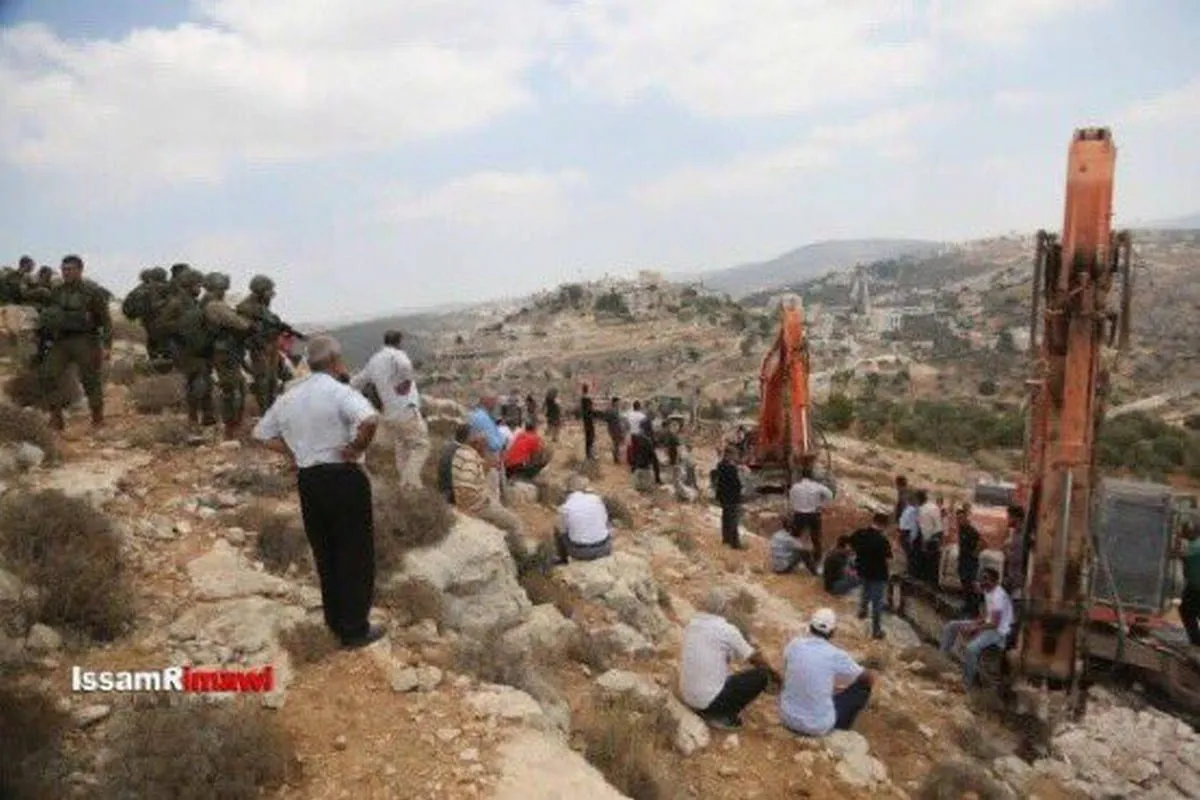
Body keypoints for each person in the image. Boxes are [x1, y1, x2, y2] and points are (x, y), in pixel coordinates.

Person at [252, 335, 384, 648]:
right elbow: (369, 419)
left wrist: (294, 453)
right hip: (343, 477)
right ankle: (354, 629)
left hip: (310, 480)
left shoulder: (290, 396)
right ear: (336, 361)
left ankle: (334, 620)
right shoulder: (339, 392)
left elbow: (260, 434)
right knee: (354, 552)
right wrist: (356, 447)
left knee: (325, 552)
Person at [679, 589, 777, 731]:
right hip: (708, 702)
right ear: (724, 608)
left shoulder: (692, 624)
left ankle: (711, 709)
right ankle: (721, 716)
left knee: (729, 675)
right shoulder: (726, 630)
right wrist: (775, 675)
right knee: (761, 675)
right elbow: (754, 659)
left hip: (688, 697)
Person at [37, 255, 113, 430]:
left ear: (80, 270)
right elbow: (51, 316)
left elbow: (106, 321)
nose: (66, 273)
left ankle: (97, 417)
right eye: (64, 269)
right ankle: (56, 417)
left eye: (70, 269)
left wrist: (107, 346)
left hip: (86, 339)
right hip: (61, 340)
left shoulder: (93, 292)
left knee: (90, 379)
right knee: (47, 375)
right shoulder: (56, 292)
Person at [350, 330, 431, 488]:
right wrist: (406, 381)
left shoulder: (374, 360)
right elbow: (405, 365)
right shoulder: (397, 355)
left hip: (390, 414)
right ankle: (410, 482)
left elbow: (356, 382)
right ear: (399, 342)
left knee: (403, 450)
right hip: (405, 410)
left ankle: (405, 487)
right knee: (421, 445)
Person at [779, 608, 875, 736]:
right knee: (863, 687)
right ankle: (840, 731)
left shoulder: (794, 644)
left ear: (810, 625)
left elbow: (788, 670)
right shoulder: (836, 655)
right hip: (816, 725)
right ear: (832, 632)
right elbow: (869, 678)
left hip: (787, 717)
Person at [158, 268, 215, 428]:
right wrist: (183, 327)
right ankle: (193, 417)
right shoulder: (176, 303)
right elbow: (162, 327)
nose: (200, 289)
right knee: (198, 381)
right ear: (189, 285)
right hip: (183, 349)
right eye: (197, 285)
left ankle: (205, 416)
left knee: (203, 381)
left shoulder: (194, 303)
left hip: (196, 348)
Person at [939, 567, 1013, 689]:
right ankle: (940, 659)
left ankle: (966, 683)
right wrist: (974, 623)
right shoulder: (988, 592)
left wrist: (975, 628)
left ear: (995, 581)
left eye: (986, 579)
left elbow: (994, 623)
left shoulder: (998, 596)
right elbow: (986, 615)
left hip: (997, 631)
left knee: (971, 649)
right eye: (981, 578)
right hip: (989, 625)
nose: (983, 582)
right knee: (951, 626)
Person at [201, 272, 254, 440]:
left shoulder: (207, 303)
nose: (225, 291)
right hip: (224, 352)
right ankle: (230, 429)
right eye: (223, 288)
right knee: (233, 390)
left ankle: (231, 427)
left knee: (234, 388)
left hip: (222, 351)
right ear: (219, 288)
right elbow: (241, 325)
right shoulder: (215, 306)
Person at [451, 428, 524, 538]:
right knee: (515, 523)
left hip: (470, 503)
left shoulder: (460, 452)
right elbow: (465, 487)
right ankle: (520, 553)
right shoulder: (470, 459)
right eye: (484, 446)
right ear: (477, 445)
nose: (485, 450)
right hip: (476, 507)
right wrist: (479, 503)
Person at [236, 274, 289, 412]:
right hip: (259, 347)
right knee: (263, 380)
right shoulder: (247, 307)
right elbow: (248, 330)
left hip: (270, 346)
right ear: (261, 290)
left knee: (272, 379)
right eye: (269, 290)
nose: (272, 294)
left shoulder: (262, 306)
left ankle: (272, 410)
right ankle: (265, 411)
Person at [849, 512, 893, 640]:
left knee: (865, 591)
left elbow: (851, 543)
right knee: (877, 603)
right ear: (884, 525)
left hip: (863, 570)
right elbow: (888, 558)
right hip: (878, 574)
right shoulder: (883, 540)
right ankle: (876, 630)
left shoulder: (860, 533)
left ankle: (862, 612)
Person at [553, 474, 611, 564]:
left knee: (558, 530)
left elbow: (562, 531)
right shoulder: (596, 499)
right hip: (604, 548)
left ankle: (563, 559)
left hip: (581, 552)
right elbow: (605, 521)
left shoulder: (564, 508)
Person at [789, 467, 834, 572]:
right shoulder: (817, 486)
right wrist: (822, 505)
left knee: (794, 537)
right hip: (813, 514)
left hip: (799, 514)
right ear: (812, 476)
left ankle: (791, 557)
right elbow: (830, 495)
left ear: (801, 476)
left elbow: (791, 498)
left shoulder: (795, 487)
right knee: (816, 539)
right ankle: (817, 560)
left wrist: (796, 506)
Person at [710, 446, 744, 549]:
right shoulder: (731, 468)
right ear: (729, 455)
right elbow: (736, 484)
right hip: (732, 497)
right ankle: (735, 543)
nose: (735, 457)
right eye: (734, 454)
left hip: (723, 496)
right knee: (733, 520)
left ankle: (726, 539)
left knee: (725, 518)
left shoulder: (720, 465)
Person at [956, 504, 982, 618]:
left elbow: (982, 542)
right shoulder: (961, 529)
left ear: (966, 518)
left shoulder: (971, 530)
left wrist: (974, 553)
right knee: (964, 583)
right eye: (958, 519)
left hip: (970, 562)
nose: (960, 521)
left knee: (971, 584)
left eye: (961, 518)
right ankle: (967, 605)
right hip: (963, 560)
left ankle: (974, 609)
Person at [1176, 522, 1200, 646]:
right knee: (1188, 610)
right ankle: (1196, 641)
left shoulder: (1193, 546)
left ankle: (1196, 642)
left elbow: (1181, 553)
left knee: (1187, 611)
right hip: (1194, 586)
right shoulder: (1194, 544)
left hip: (1196, 587)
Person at [437, 423, 471, 504]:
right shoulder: (459, 452)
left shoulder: (450, 447)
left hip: (445, 490)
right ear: (467, 437)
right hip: (451, 493)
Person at [915, 490, 942, 583]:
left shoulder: (930, 508)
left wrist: (927, 542)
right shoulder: (924, 508)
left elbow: (937, 527)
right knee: (926, 569)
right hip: (927, 540)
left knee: (931, 569)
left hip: (931, 541)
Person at [1004, 505, 1027, 597]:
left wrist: (1006, 551)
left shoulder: (1022, 535)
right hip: (1013, 580)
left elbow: (1016, 558)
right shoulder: (1015, 533)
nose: (1008, 519)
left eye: (1009, 517)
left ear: (1016, 518)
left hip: (1018, 583)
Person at [898, 492, 920, 577]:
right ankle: (910, 571)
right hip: (905, 533)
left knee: (910, 554)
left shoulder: (911, 510)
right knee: (909, 554)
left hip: (907, 533)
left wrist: (911, 537)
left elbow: (913, 524)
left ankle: (911, 572)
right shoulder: (909, 510)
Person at [605, 396, 625, 464]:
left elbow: (606, 419)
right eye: (618, 402)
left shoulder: (610, 409)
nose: (619, 403)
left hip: (611, 428)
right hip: (615, 428)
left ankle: (616, 457)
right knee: (616, 443)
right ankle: (616, 458)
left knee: (615, 443)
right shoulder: (614, 410)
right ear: (615, 402)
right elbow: (618, 421)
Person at [579, 383, 596, 460]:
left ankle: (588, 454)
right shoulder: (587, 399)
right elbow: (590, 410)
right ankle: (590, 455)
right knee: (590, 437)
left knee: (588, 437)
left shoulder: (582, 399)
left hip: (585, 420)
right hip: (589, 420)